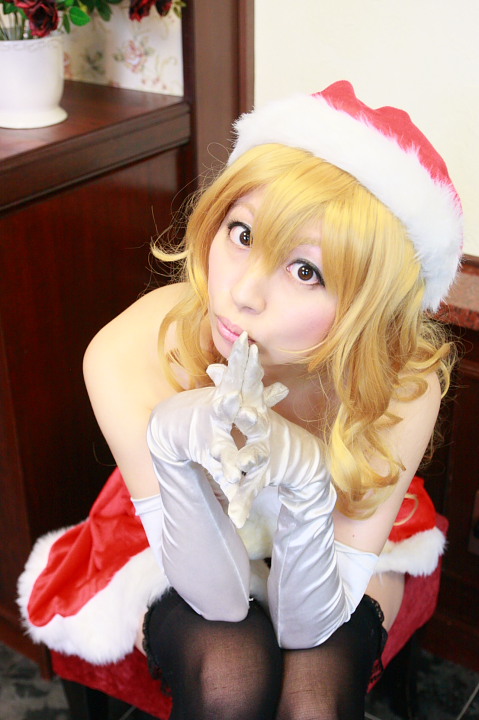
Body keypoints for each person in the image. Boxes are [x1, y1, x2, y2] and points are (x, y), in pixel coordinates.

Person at [18, 81, 463, 720]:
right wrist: (173, 444)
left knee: (313, 700)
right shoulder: (126, 353)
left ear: (368, 311)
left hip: (342, 511)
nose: (244, 293)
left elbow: (312, 622)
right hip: (175, 530)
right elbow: (218, 600)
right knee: (230, 676)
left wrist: (306, 478)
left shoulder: (402, 382)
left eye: (306, 270)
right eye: (243, 232)